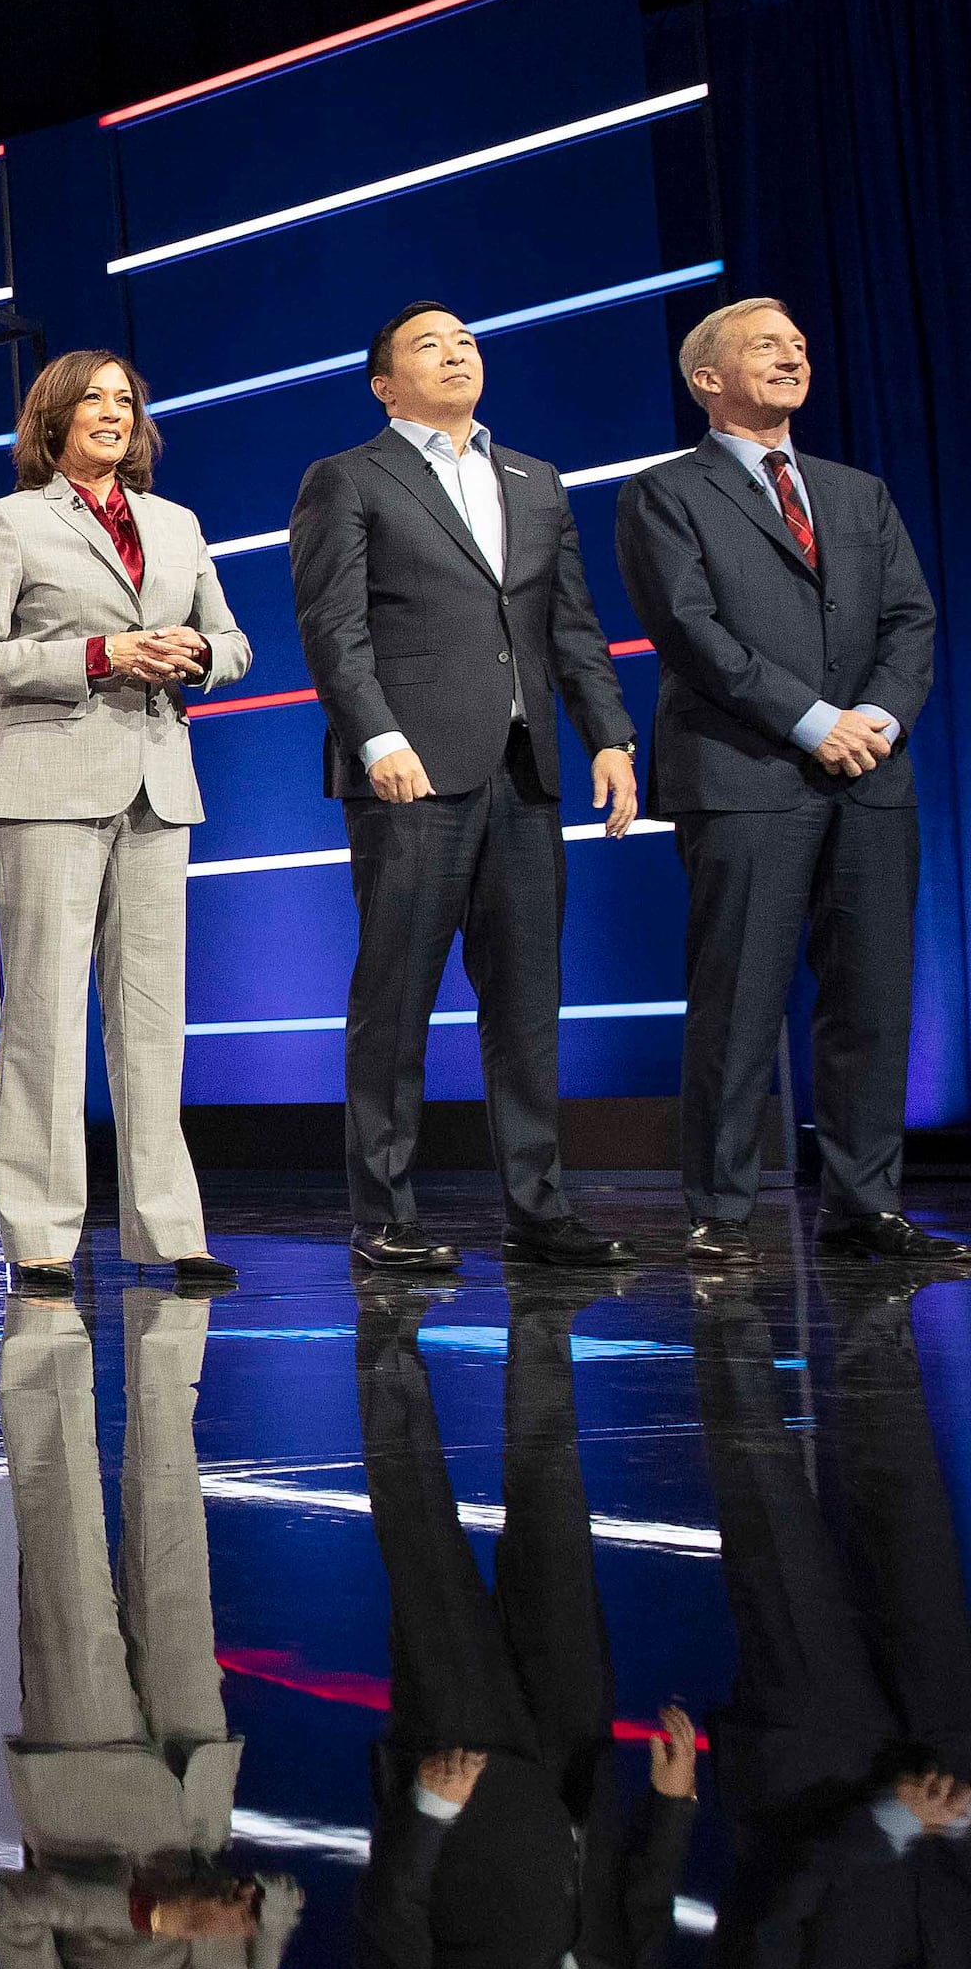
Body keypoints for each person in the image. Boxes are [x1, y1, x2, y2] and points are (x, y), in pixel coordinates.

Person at [287, 302, 641, 1275]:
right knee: (396, 998)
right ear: (384, 382)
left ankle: (539, 1207)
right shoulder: (349, 478)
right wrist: (378, 739)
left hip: (527, 774)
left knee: (529, 1002)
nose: (456, 352)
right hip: (410, 775)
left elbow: (572, 626)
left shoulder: (534, 478)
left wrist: (609, 735)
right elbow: (333, 627)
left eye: (468, 340)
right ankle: (385, 1212)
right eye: (428, 344)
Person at [613, 297, 953, 1267]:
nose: (792, 356)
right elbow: (691, 630)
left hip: (871, 776)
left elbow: (910, 622)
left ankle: (865, 1207)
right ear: (707, 378)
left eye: (800, 344)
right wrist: (814, 722)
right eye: (766, 345)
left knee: (875, 998)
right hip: (747, 773)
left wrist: (875, 722)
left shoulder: (859, 492)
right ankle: (720, 1213)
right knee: (739, 998)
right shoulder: (663, 491)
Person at [353, 1276, 699, 1969]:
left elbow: (392, 1923)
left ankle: (387, 1327)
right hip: (578, 1764)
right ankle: (541, 1316)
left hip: (468, 1783)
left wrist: (428, 1808)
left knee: (423, 1540)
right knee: (554, 1518)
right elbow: (645, 1915)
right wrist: (674, 1804)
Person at [0, 352, 251, 1295]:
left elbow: (237, 642)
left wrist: (197, 652)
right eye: (94, 400)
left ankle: (170, 1228)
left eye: (126, 401)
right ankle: (41, 1234)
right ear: (54, 417)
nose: (113, 414)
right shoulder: (15, 521)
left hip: (158, 784)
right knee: (43, 1011)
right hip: (48, 785)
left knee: (155, 1019)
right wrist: (99, 651)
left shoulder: (176, 523)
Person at [0, 1288, 303, 1969]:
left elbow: (10, 1911)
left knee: (63, 1530)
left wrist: (148, 1917)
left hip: (83, 1788)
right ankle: (169, 1322)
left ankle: (43, 1314)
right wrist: (247, 1905)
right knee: (173, 1528)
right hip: (192, 1789)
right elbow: (283, 1902)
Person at [691, 1272, 971, 1969]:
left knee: (767, 1497)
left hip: (812, 1757)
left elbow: (776, 1898)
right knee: (906, 1501)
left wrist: (888, 1825)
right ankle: (872, 1297)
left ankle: (724, 1293)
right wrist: (956, 1825)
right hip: (945, 1749)